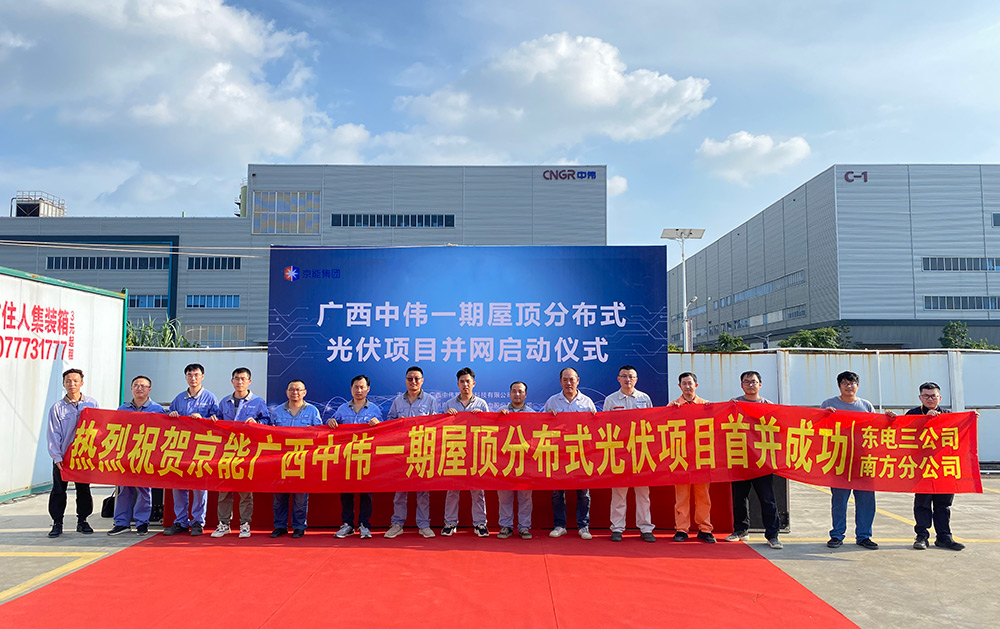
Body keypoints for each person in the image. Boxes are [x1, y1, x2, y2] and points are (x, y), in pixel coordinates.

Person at [821, 370, 896, 550]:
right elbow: (818, 428)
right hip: (840, 460)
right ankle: (837, 535)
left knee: (866, 501)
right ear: (839, 386)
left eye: (852, 383)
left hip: (863, 460)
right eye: (845, 383)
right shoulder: (829, 404)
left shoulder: (866, 405)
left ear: (858, 386)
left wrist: (890, 419)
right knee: (839, 501)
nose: (849, 386)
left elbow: (876, 429)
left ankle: (864, 536)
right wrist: (824, 415)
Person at [725, 370, 782, 549]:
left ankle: (773, 535)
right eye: (746, 382)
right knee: (739, 498)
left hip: (762, 461)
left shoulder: (768, 406)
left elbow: (778, 429)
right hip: (740, 458)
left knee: (768, 499)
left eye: (754, 381)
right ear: (741, 385)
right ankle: (740, 530)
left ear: (760, 384)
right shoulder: (734, 404)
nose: (750, 385)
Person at [211, 367, 270, 539]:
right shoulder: (224, 402)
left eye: (243, 379)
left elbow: (267, 421)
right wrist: (213, 420)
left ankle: (245, 524)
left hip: (246, 452)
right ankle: (224, 524)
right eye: (237, 378)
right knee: (224, 489)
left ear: (249, 382)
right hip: (226, 452)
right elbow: (216, 422)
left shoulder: (258, 402)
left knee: (245, 490)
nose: (240, 382)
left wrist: (257, 422)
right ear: (232, 381)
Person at [907, 382, 964, 551]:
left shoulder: (948, 416)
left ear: (940, 397)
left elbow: (960, 435)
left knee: (943, 504)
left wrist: (970, 419)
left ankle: (944, 537)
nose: (930, 399)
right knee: (922, 504)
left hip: (943, 468)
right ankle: (922, 536)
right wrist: (925, 420)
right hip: (922, 467)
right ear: (920, 398)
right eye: (926, 396)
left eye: (933, 396)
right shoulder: (913, 414)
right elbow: (904, 435)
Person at [163, 363, 219, 536]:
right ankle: (180, 521)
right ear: (186, 377)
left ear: (202, 376)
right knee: (179, 485)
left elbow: (217, 421)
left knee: (199, 486)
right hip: (181, 448)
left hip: (201, 448)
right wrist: (171, 416)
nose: (193, 378)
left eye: (196, 375)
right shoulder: (179, 399)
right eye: (189, 375)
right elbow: (167, 421)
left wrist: (203, 419)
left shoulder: (210, 398)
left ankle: (197, 522)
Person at [384, 366, 438, 539]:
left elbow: (437, 425)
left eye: (416, 379)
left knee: (423, 491)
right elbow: (389, 422)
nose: (413, 382)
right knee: (400, 490)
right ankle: (397, 524)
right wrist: (397, 424)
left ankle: (424, 525)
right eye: (410, 379)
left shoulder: (430, 401)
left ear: (422, 381)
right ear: (405, 381)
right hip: (402, 452)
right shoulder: (398, 401)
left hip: (422, 450)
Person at [107, 376, 164, 537]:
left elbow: (163, 434)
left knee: (144, 490)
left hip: (146, 456)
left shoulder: (157, 409)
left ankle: (142, 523)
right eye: (136, 385)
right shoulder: (122, 409)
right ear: (131, 388)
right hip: (125, 456)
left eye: (143, 386)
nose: (139, 388)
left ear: (149, 389)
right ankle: (121, 523)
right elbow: (114, 431)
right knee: (123, 490)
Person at [543, 367, 597, 540]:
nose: (568, 383)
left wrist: (595, 418)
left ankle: (583, 526)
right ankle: (560, 525)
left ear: (578, 381)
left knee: (583, 493)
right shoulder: (552, 401)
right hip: (559, 454)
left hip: (581, 454)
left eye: (572, 379)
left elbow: (596, 428)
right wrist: (547, 417)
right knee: (558, 493)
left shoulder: (587, 402)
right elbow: (539, 426)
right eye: (565, 379)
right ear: (560, 381)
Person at [604, 365, 655, 543]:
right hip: (619, 452)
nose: (628, 380)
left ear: (636, 379)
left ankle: (646, 528)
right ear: (618, 379)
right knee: (619, 493)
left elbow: (652, 423)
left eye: (631, 376)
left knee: (643, 493)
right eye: (624, 376)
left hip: (641, 451)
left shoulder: (644, 398)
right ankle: (617, 528)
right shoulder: (611, 400)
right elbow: (604, 426)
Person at [46, 368, 99, 538]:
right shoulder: (57, 408)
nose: (72, 384)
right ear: (63, 384)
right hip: (63, 457)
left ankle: (83, 521)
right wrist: (56, 456)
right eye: (68, 381)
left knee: (83, 490)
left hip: (83, 457)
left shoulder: (92, 404)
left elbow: (98, 429)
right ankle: (57, 523)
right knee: (58, 490)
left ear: (82, 383)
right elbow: (53, 433)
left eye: (76, 381)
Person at [267, 379, 324, 538]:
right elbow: (267, 434)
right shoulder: (277, 412)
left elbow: (320, 434)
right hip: (280, 461)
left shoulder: (312, 411)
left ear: (304, 392)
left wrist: (313, 432)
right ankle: (280, 526)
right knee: (279, 497)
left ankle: (299, 526)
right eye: (291, 389)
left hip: (302, 461)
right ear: (287, 392)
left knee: (300, 498)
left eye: (298, 390)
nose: (295, 393)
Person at [330, 374, 382, 540]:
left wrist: (378, 424)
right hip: (346, 458)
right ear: (351, 389)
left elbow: (384, 432)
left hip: (366, 457)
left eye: (362, 387)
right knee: (346, 492)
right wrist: (331, 422)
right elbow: (331, 427)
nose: (359, 390)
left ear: (368, 389)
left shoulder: (374, 410)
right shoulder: (342, 409)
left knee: (366, 493)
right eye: (356, 387)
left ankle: (364, 524)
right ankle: (348, 524)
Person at [442, 367, 490, 537]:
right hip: (454, 451)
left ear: (473, 383)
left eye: (468, 381)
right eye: (462, 382)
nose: (465, 385)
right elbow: (439, 429)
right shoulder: (449, 405)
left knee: (477, 490)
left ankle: (480, 524)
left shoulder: (481, 404)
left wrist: (482, 417)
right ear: (458, 384)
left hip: (475, 453)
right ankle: (450, 523)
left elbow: (490, 430)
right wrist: (446, 416)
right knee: (452, 489)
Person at [668, 372, 715, 543]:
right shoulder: (672, 406)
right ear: (679, 386)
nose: (687, 386)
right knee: (682, 496)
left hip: (701, 457)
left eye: (690, 383)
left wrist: (712, 411)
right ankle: (681, 529)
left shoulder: (706, 405)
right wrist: (671, 412)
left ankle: (705, 529)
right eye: (684, 383)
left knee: (703, 495)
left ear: (696, 385)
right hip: (680, 456)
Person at [496, 381, 534, 539]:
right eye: (514, 391)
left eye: (520, 391)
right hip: (505, 460)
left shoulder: (533, 414)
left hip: (525, 461)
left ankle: (524, 527)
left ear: (526, 394)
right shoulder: (500, 412)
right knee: (504, 495)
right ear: (509, 394)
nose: (517, 394)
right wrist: (499, 418)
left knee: (525, 496)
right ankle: (506, 526)